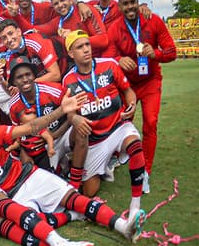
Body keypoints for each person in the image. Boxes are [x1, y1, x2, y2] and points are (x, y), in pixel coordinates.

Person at [0, 106, 144, 246]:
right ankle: (64, 240)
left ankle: (122, 226)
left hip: (28, 177)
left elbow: (32, 127)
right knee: (33, 222)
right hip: (11, 199)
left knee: (74, 198)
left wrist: (62, 110)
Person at [61, 31, 147, 214]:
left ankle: (135, 205)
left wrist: (132, 104)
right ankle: (102, 164)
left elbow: (128, 91)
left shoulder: (109, 65)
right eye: (79, 47)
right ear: (70, 53)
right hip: (94, 141)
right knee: (89, 191)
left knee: (135, 145)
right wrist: (74, 118)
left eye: (87, 45)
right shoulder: (68, 80)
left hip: (117, 128)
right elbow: (70, 113)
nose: (86, 50)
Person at [105, 0, 176, 186]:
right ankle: (115, 158)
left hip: (151, 80)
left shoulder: (153, 21)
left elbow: (172, 51)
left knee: (150, 122)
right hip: (128, 85)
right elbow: (108, 58)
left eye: (133, 2)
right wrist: (118, 60)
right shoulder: (115, 28)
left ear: (138, 1)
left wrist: (156, 54)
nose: (130, 7)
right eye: (125, 3)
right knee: (119, 121)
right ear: (119, 6)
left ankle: (146, 171)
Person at [0, 19, 60, 83]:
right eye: (4, 38)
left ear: (19, 32)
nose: (9, 39)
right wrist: (1, 79)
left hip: (63, 76)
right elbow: (12, 88)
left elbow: (56, 75)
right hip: (38, 82)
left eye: (10, 33)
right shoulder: (9, 55)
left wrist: (26, 83)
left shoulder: (36, 43)